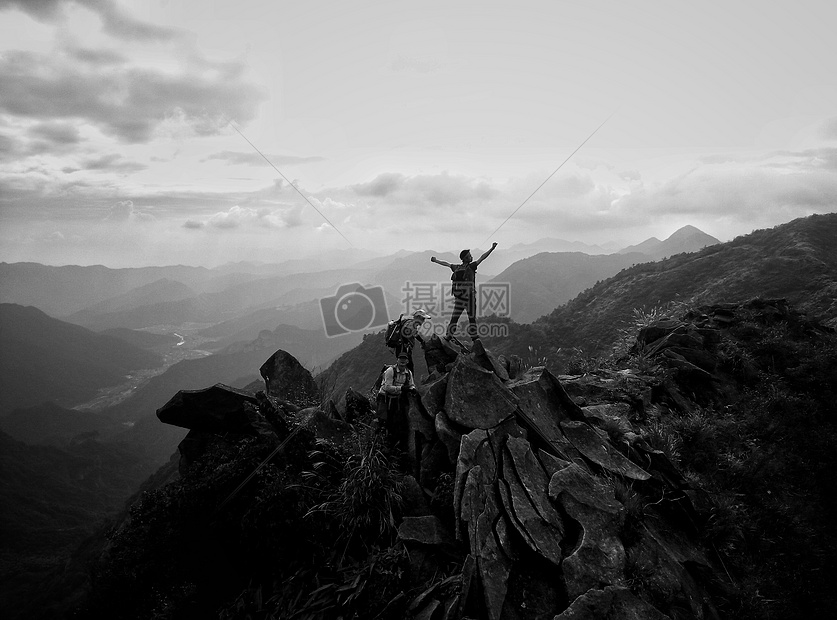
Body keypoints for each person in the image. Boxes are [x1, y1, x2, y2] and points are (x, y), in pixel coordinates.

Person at [431, 242, 497, 341]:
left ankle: (449, 335)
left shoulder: (456, 267)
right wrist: (492, 248)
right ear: (466, 258)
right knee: (472, 319)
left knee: (454, 318)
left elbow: (446, 264)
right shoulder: (471, 267)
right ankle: (474, 338)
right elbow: (483, 257)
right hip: (469, 298)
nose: (471, 257)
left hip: (459, 298)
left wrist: (436, 260)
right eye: (470, 256)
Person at [377, 352, 416, 452]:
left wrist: (412, 389)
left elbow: (412, 385)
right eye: (400, 359)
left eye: (404, 359)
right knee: (385, 420)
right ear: (397, 360)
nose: (402, 361)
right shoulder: (391, 371)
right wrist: (402, 388)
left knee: (398, 422)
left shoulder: (408, 373)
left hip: (397, 399)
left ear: (407, 361)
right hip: (386, 398)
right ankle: (383, 444)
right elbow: (387, 387)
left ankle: (396, 445)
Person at [389, 309, 431, 374]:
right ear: (418, 318)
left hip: (402, 348)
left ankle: (406, 382)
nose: (423, 321)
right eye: (423, 319)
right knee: (407, 366)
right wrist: (406, 344)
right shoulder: (412, 324)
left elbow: (415, 334)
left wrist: (422, 341)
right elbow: (404, 332)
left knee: (405, 366)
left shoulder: (411, 323)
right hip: (402, 348)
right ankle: (407, 383)